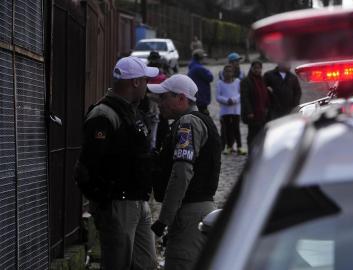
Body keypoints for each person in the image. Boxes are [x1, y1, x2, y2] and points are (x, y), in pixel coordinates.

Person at [74, 56, 159, 270]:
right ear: (135, 82)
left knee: (146, 264)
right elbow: (87, 166)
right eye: (145, 80)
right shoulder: (104, 115)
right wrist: (104, 200)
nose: (147, 86)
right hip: (118, 205)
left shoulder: (130, 112)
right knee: (117, 264)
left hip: (138, 201)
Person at [148, 74, 221, 270]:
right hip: (197, 210)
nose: (159, 103)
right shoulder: (198, 120)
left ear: (181, 98)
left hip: (190, 213)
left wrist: (164, 219)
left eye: (164, 97)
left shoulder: (188, 123)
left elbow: (181, 173)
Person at [240, 60, 271, 149]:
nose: (257, 70)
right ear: (252, 68)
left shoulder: (262, 80)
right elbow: (244, 98)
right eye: (255, 68)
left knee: (261, 133)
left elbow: (264, 94)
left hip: (262, 113)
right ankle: (251, 152)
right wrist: (249, 111)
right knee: (252, 134)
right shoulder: (246, 81)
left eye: (259, 68)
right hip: (253, 114)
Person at [216, 64, 245, 155]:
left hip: (236, 109)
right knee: (227, 128)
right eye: (226, 71)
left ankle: (240, 146)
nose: (228, 73)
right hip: (225, 110)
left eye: (230, 71)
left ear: (233, 73)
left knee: (236, 128)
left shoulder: (237, 82)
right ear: (223, 72)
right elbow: (218, 96)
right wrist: (226, 100)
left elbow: (241, 94)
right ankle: (229, 146)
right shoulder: (219, 83)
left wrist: (234, 99)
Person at [188, 49, 214, 115]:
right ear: (200, 58)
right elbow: (210, 77)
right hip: (201, 97)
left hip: (196, 96)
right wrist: (208, 71)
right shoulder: (200, 68)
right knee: (205, 118)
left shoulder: (192, 66)